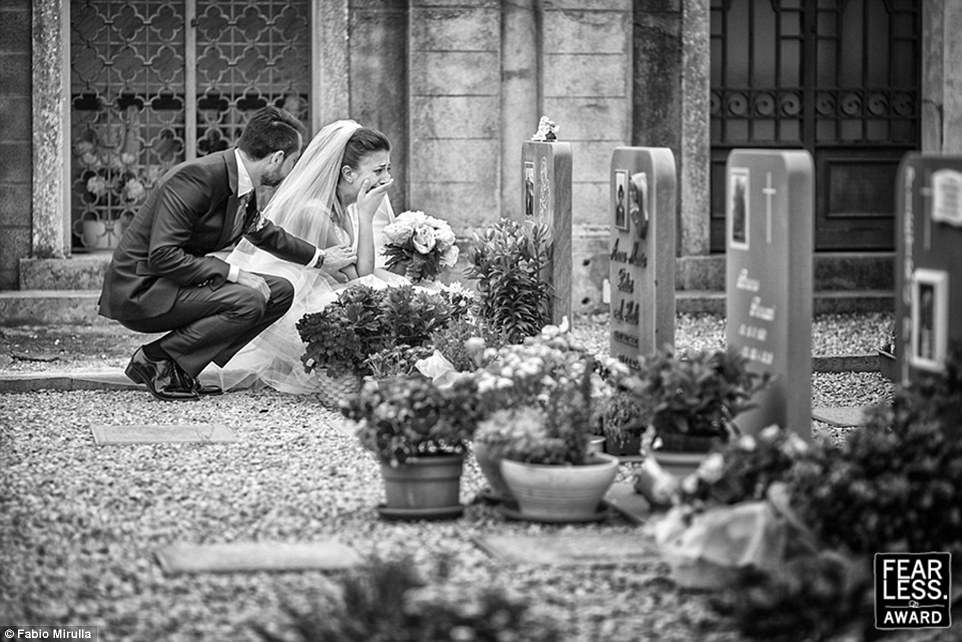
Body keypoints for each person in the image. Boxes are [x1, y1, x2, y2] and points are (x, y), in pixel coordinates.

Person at [98, 107, 366, 401]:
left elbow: (264, 233)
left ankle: (180, 368)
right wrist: (235, 273)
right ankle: (156, 358)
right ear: (277, 158)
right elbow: (163, 255)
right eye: (293, 162)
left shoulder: (242, 181)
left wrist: (321, 258)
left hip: (176, 282)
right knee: (249, 299)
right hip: (141, 289)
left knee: (280, 291)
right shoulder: (195, 178)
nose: (293, 171)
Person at [205, 119, 408, 393]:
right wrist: (366, 216)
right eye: (378, 170)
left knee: (403, 289)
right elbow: (361, 279)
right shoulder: (316, 212)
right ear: (348, 174)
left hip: (328, 285)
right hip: (298, 302)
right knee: (387, 298)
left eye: (388, 169)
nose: (386, 178)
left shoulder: (342, 203)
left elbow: (359, 274)